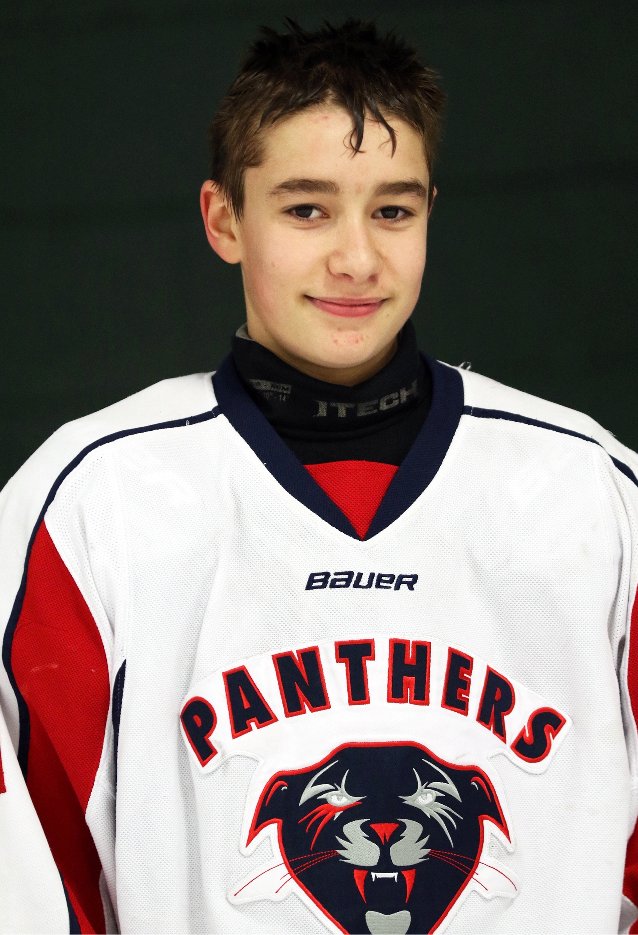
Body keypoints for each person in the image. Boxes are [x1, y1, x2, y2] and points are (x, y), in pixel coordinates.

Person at [1, 17, 637, 935]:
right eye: (306, 209)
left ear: (429, 214)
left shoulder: (588, 490)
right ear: (224, 219)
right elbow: (25, 868)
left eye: (392, 211)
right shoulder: (96, 502)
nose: (357, 258)